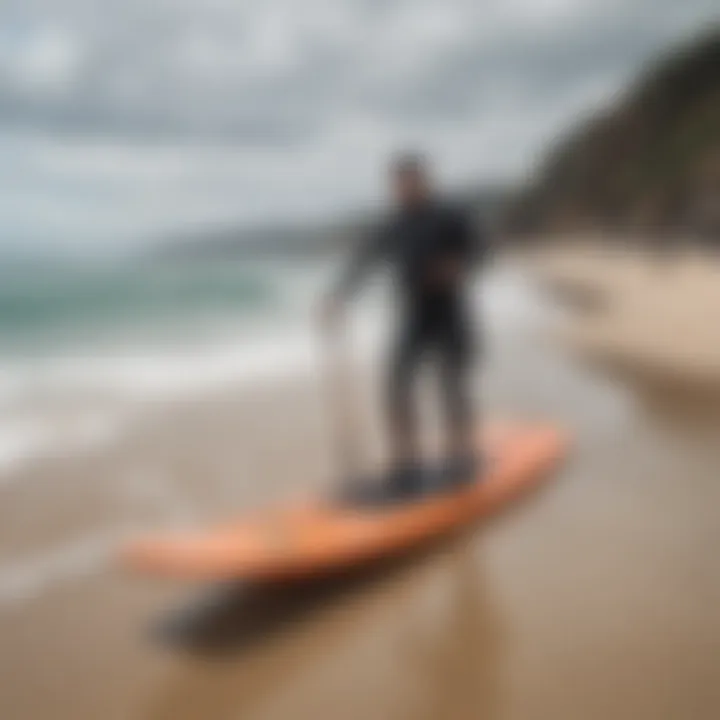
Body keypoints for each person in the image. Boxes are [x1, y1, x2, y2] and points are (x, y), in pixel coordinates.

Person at [322, 153, 487, 499]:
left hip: (449, 313)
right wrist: (339, 296)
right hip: (413, 317)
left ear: (424, 182)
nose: (402, 189)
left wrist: (458, 266)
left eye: (409, 182)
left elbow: (481, 249)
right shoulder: (394, 225)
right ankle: (406, 463)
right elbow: (364, 260)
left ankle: (462, 455)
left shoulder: (450, 216)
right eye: (397, 184)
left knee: (451, 386)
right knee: (395, 386)